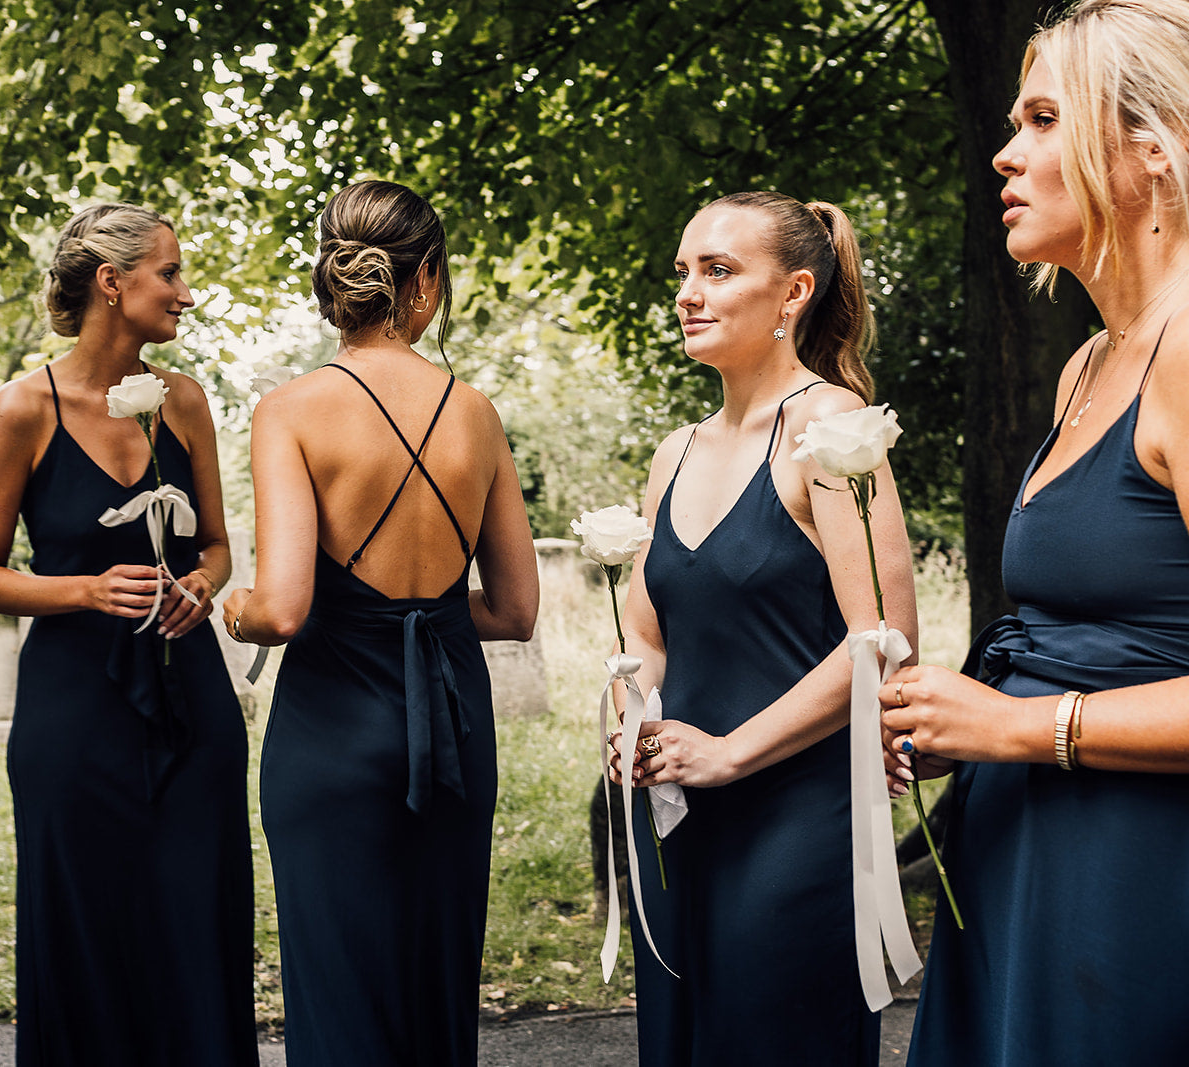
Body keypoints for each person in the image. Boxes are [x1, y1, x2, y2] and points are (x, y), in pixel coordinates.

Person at [880, 2, 1189, 1062]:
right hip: (1019, 860)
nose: (1006, 154)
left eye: (1045, 118)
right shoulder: (1088, 366)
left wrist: (1021, 727)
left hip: (1139, 883)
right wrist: (951, 718)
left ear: (1151, 148)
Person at [219, 179, 538, 1066]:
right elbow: (514, 610)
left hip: (331, 731)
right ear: (426, 281)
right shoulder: (475, 413)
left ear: (331, 283)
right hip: (452, 730)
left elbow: (281, 606)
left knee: (340, 984)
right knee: (436, 984)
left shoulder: (290, 410)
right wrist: (428, 614)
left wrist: (231, 608)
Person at [606, 191, 917, 1066]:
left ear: (793, 295)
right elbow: (649, 639)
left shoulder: (832, 430)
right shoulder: (674, 452)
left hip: (795, 818)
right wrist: (630, 725)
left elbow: (884, 637)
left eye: (719, 270)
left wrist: (730, 753)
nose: (689, 293)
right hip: (676, 819)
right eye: (683, 273)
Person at [0, 204, 256, 1065]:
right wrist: (85, 588)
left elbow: (217, 545)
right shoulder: (22, 408)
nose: (187, 294)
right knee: (84, 918)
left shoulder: (187, 401)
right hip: (73, 711)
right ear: (112, 282)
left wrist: (201, 584)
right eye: (170, 273)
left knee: (196, 913)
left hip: (190, 703)